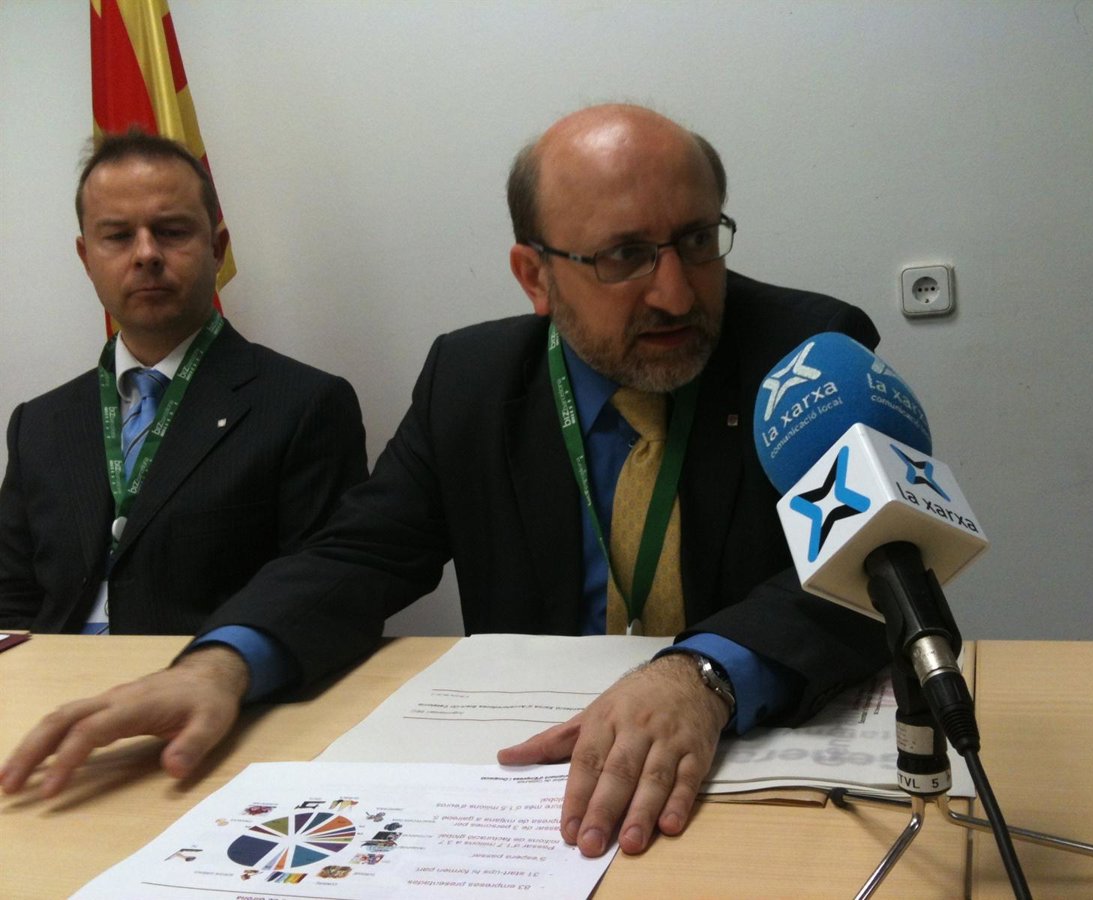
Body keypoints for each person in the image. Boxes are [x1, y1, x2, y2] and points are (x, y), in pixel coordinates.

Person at [0, 106, 887, 859]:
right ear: (535, 276)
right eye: (623, 256)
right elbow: (359, 553)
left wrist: (704, 673)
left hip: (750, 769)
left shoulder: (808, 356)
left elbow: (873, 560)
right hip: (542, 791)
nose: (676, 294)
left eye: (696, 241)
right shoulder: (472, 381)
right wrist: (224, 662)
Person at [0, 130, 368, 637]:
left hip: (207, 677)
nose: (146, 254)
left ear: (217, 248)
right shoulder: (39, 424)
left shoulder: (305, 406)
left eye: (171, 231)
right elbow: (10, 599)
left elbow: (327, 594)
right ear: (86, 258)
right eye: (118, 236)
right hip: (56, 680)